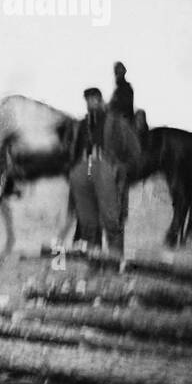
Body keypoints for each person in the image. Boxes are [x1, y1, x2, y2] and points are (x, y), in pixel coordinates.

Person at [69, 86, 141, 256]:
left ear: (101, 101)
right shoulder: (82, 126)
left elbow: (135, 151)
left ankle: (115, 261)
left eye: (94, 99)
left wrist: (119, 168)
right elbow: (75, 156)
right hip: (88, 176)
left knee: (112, 221)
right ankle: (95, 262)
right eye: (88, 100)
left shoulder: (117, 123)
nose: (91, 103)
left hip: (110, 178)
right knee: (90, 223)